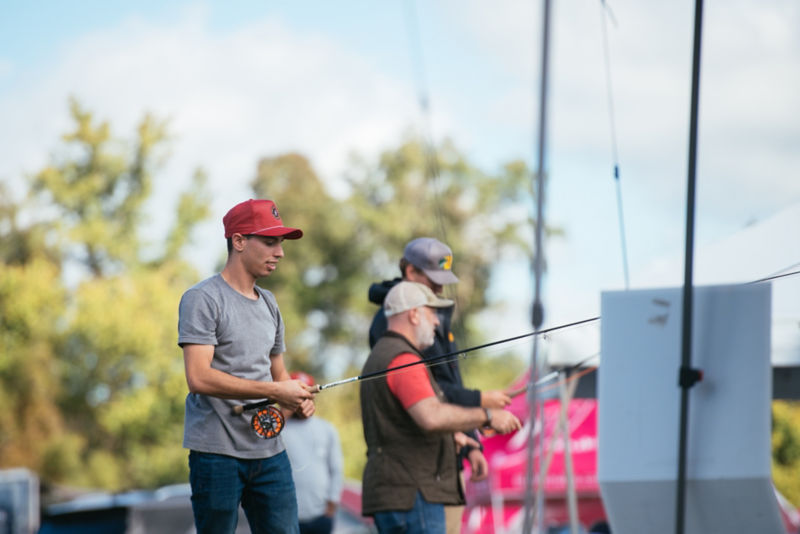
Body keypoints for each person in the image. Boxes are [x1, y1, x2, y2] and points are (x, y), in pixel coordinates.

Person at [178, 198, 316, 534]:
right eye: (270, 242)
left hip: (269, 453)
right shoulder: (202, 299)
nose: (279, 252)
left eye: (280, 243)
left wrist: (296, 399)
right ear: (239, 241)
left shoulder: (269, 302)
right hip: (216, 453)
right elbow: (198, 377)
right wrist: (275, 390)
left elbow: (279, 373)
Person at [367, 237, 512, 532]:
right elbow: (429, 407)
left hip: (435, 470)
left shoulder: (423, 326)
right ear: (410, 272)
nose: (440, 291)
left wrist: (468, 442)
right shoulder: (397, 339)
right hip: (415, 483)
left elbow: (442, 387)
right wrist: (484, 407)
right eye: (434, 282)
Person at [281, 371, 344, 534]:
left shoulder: (326, 428)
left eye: (305, 394)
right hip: (284, 516)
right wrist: (284, 414)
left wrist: (332, 504)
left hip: (320, 515)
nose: (301, 400)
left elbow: (336, 468)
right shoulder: (278, 429)